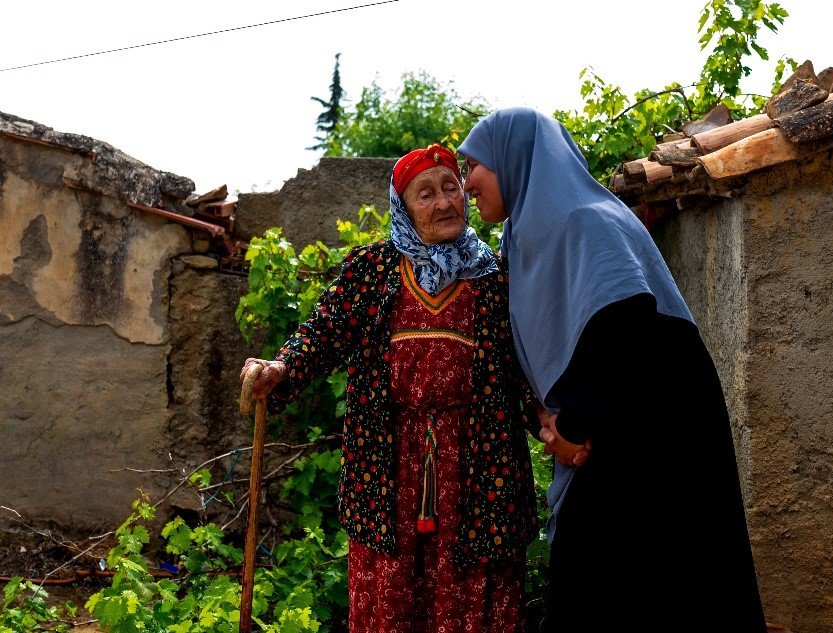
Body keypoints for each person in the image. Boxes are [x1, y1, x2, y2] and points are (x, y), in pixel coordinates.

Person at [458, 108, 768, 632]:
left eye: (474, 167)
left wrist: (575, 429)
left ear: (512, 159)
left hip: (657, 430)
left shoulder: (584, 219)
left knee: (636, 584)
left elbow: (620, 323)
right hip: (612, 426)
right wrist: (554, 425)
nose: (467, 184)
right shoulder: (529, 235)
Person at [239, 143, 541, 633]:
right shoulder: (372, 270)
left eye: (450, 187)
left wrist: (549, 416)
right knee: (392, 597)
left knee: (469, 599)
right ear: (404, 207)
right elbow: (323, 333)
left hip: (478, 471)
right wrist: (282, 366)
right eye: (426, 194)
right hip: (387, 469)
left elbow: (526, 363)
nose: (444, 202)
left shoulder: (496, 277)